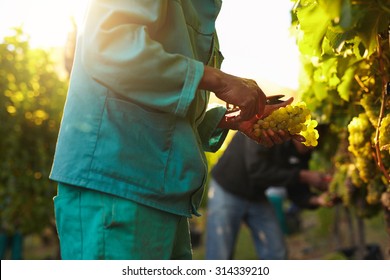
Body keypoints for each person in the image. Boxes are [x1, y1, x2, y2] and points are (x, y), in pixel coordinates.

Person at [50, 1, 302, 260]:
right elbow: (108, 46)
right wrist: (218, 79)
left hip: (155, 190)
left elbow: (162, 104)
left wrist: (229, 120)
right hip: (115, 188)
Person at [205, 132, 333, 260]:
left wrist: (318, 200)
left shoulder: (302, 150)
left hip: (257, 195)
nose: (311, 148)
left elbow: (295, 187)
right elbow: (257, 170)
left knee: (276, 252)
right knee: (219, 254)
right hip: (227, 188)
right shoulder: (270, 126)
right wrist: (303, 176)